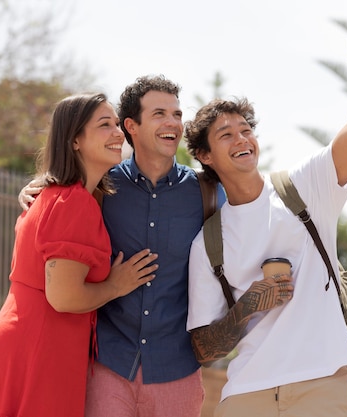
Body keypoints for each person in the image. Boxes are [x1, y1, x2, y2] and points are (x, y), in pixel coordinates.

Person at [184, 37, 347, 417]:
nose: (242, 139)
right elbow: (204, 348)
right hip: (246, 393)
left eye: (245, 130)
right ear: (205, 155)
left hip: (323, 384)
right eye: (226, 135)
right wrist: (249, 306)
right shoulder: (208, 242)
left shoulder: (303, 188)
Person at [19, 75, 226, 417]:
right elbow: (60, 197)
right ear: (131, 125)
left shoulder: (206, 193)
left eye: (176, 114)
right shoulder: (101, 185)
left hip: (178, 370)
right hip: (107, 366)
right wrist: (31, 188)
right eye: (159, 113)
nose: (172, 123)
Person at [0, 92, 158, 417]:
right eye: (104, 125)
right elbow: (64, 298)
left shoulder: (54, 195)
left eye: (117, 124)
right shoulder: (73, 202)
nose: (118, 133)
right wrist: (116, 286)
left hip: (26, 346)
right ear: (74, 140)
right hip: (37, 352)